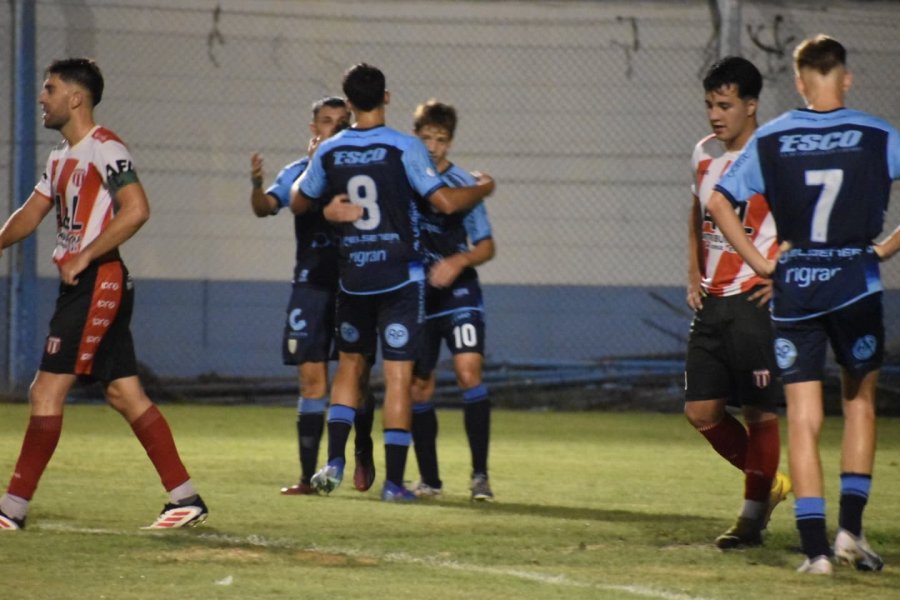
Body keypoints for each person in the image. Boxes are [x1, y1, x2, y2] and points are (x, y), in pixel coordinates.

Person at [708, 34, 900, 574]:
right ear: (845, 78)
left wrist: (759, 261)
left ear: (797, 81)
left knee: (803, 417)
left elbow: (720, 201)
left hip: (796, 288)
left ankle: (814, 551)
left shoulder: (771, 138)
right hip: (854, 285)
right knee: (860, 403)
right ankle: (850, 534)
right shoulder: (877, 133)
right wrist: (884, 247)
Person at [0, 58, 206, 530]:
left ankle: (11, 509)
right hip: (89, 282)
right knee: (122, 391)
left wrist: (84, 255)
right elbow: (30, 214)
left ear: (75, 97)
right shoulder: (60, 157)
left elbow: (136, 209)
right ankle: (185, 498)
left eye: (49, 89)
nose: (42, 97)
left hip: (98, 281)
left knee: (46, 389)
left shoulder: (105, 147)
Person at [292, 63, 495, 501]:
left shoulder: (329, 150)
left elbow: (298, 200)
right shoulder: (404, 146)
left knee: (349, 366)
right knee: (399, 378)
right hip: (400, 279)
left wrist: (327, 208)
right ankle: (393, 483)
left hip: (353, 277)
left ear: (347, 105)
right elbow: (441, 201)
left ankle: (335, 460)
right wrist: (482, 189)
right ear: (387, 97)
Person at [684, 57, 790, 549]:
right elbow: (696, 214)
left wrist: (780, 271)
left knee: (758, 411)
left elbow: (804, 221)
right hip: (712, 301)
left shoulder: (775, 156)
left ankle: (750, 519)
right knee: (700, 410)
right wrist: (692, 271)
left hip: (752, 299)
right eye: (709, 104)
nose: (714, 115)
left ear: (751, 106)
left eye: (724, 105)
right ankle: (771, 482)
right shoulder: (703, 155)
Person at [249, 97, 376, 496]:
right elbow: (265, 207)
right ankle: (307, 478)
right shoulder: (297, 173)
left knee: (356, 380)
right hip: (310, 286)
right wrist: (256, 184)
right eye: (326, 122)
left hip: (354, 285)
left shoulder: (361, 174)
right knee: (311, 380)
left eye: (342, 123)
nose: (333, 129)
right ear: (313, 128)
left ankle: (362, 445)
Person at [407, 100, 496, 501]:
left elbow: (487, 245)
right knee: (418, 387)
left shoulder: (463, 184)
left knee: (467, 372)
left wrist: (457, 260)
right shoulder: (405, 181)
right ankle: (430, 480)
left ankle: (480, 477)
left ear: (450, 141)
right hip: (418, 296)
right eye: (426, 138)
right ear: (416, 137)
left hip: (459, 291)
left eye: (440, 139)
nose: (433, 146)